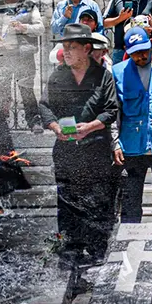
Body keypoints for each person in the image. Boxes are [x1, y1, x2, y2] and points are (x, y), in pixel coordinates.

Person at [39, 23, 119, 264]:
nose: (67, 52)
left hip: (95, 147)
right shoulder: (58, 75)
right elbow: (44, 106)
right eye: (65, 47)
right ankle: (70, 249)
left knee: (98, 200)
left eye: (72, 47)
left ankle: (97, 251)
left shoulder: (103, 76)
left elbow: (111, 110)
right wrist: (55, 128)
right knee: (66, 201)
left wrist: (91, 126)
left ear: (86, 49)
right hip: (66, 150)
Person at [112, 27, 152, 240]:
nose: (142, 56)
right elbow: (115, 112)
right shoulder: (118, 71)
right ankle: (128, 244)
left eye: (145, 50)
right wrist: (115, 142)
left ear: (151, 43)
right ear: (126, 51)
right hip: (131, 147)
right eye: (135, 53)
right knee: (130, 202)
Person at [0, 0, 43, 129]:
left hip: (23, 54)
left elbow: (40, 28)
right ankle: (1, 123)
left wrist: (24, 27)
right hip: (4, 54)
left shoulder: (29, 5)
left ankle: (34, 121)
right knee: (3, 89)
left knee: (26, 88)